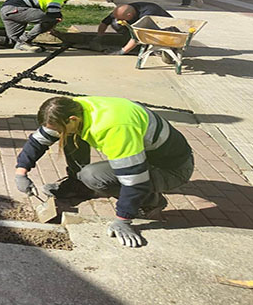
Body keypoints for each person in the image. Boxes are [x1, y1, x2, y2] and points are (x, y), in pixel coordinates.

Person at [15, 96, 195, 248]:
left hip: (171, 168)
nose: (55, 133)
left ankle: (149, 203)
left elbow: (135, 180)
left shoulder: (115, 128)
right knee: (69, 136)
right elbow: (38, 141)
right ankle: (78, 187)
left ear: (72, 119)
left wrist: (123, 219)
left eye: (58, 129)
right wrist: (21, 173)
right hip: (147, 154)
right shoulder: (73, 108)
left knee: (92, 176)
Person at [0, 0, 81, 53]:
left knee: (14, 40)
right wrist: (50, 24)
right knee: (54, 18)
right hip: (17, 9)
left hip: (7, 11)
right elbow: (53, 12)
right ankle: (25, 41)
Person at [96, 2, 172, 55]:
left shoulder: (147, 15)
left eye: (120, 19)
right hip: (141, 27)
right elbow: (104, 22)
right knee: (116, 24)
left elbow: (137, 35)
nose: (118, 20)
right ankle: (131, 45)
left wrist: (122, 51)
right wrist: (98, 38)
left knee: (138, 34)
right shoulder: (123, 10)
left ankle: (156, 47)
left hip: (163, 30)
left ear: (129, 15)